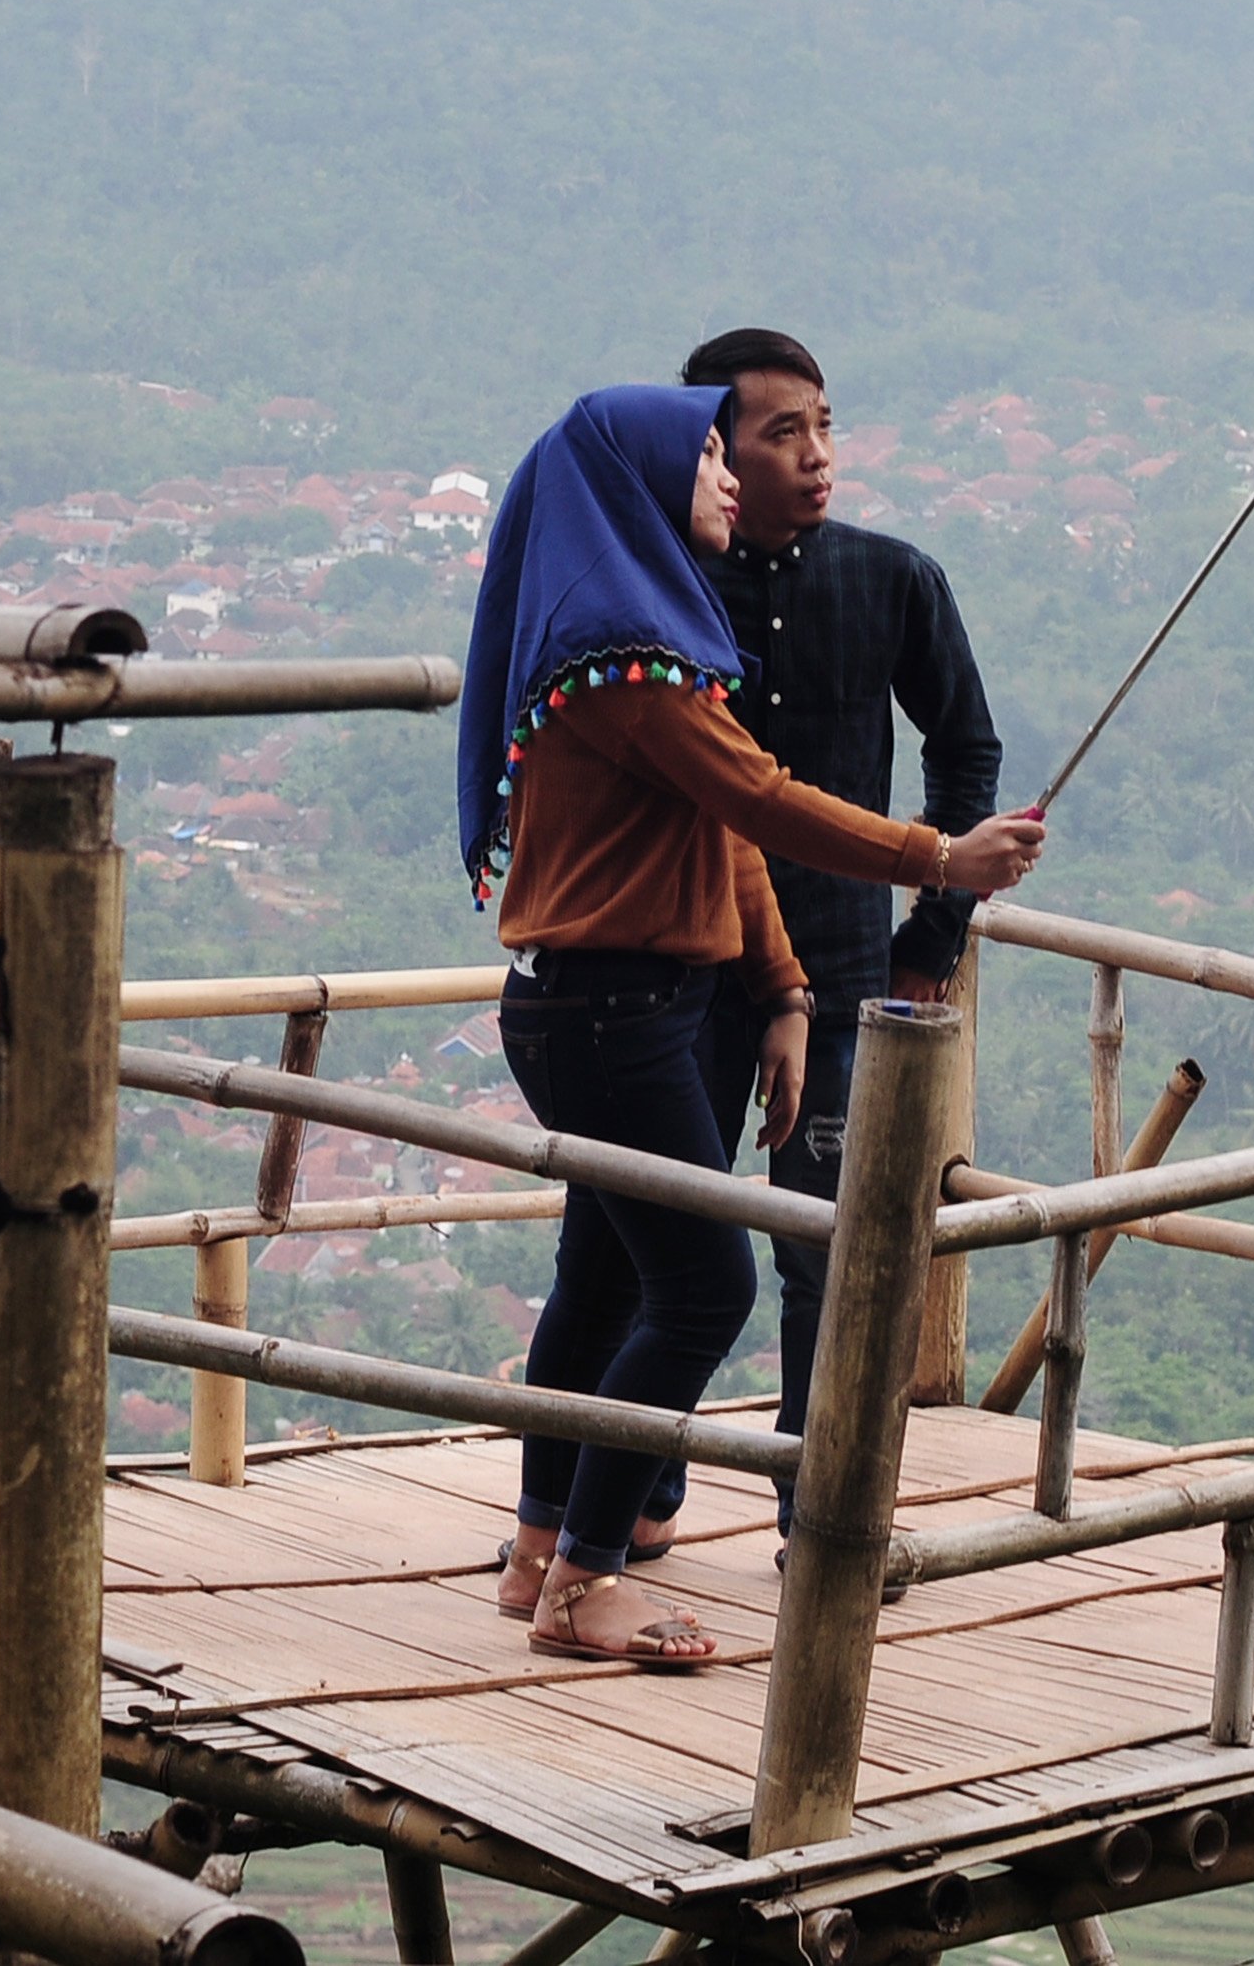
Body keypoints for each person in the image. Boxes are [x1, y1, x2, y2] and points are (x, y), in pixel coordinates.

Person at [461, 383, 1044, 1669]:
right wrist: (938, 859)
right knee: (705, 1283)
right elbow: (764, 799)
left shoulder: (643, 638)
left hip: (613, 1005)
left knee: (610, 1278)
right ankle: (585, 1579)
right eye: (712, 458)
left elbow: (720, 832)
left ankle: (537, 1549)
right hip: (609, 1012)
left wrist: (781, 991)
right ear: (644, 482)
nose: (732, 479)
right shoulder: (626, 664)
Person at [677, 327, 999, 1537]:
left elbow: (965, 752)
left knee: (824, 1245)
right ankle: (634, 1493)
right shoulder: (666, 586)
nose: (816, 456)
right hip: (686, 970)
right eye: (782, 433)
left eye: (825, 427)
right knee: (662, 1235)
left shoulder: (890, 578)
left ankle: (810, 1506)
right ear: (715, 449)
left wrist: (935, 931)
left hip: (848, 966)